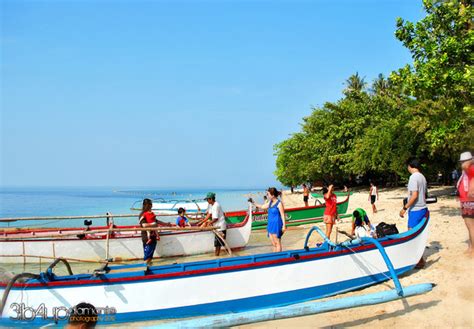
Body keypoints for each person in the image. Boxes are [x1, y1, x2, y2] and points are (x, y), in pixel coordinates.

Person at [399, 158, 428, 268]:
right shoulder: (422, 177)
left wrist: (404, 208)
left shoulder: (413, 178)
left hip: (415, 210)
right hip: (423, 209)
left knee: (412, 236)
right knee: (419, 235)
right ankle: (420, 260)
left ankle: (419, 261)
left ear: (410, 166)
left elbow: (414, 195)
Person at [251, 187, 286, 252]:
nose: (267, 195)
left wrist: (284, 226)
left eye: (268, 194)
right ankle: (275, 257)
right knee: (273, 244)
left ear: (272, 195)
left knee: (277, 243)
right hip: (270, 225)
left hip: (277, 225)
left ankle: (279, 258)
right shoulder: (270, 202)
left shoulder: (279, 203)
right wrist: (253, 202)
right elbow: (262, 206)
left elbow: (282, 215)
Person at [139, 198, 170, 265]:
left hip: (153, 236)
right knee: (147, 255)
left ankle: (149, 267)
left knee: (150, 255)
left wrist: (166, 224)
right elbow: (144, 225)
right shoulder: (143, 214)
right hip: (147, 237)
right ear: (148, 205)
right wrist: (153, 224)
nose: (152, 206)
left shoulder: (150, 213)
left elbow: (157, 221)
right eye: (151, 204)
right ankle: (146, 268)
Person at [199, 192, 227, 256]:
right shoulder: (212, 205)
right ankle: (217, 256)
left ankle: (217, 257)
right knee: (217, 244)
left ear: (211, 199)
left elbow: (215, 219)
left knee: (218, 245)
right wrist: (203, 221)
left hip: (220, 227)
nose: (207, 201)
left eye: (207, 199)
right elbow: (209, 214)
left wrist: (209, 223)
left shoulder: (216, 206)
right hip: (217, 226)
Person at [457, 151, 474, 256]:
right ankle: (471, 247)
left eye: (463, 162)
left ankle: (473, 249)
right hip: (466, 201)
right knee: (470, 226)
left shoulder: (470, 169)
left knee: (471, 226)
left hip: (469, 201)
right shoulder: (467, 171)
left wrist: (471, 190)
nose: (461, 164)